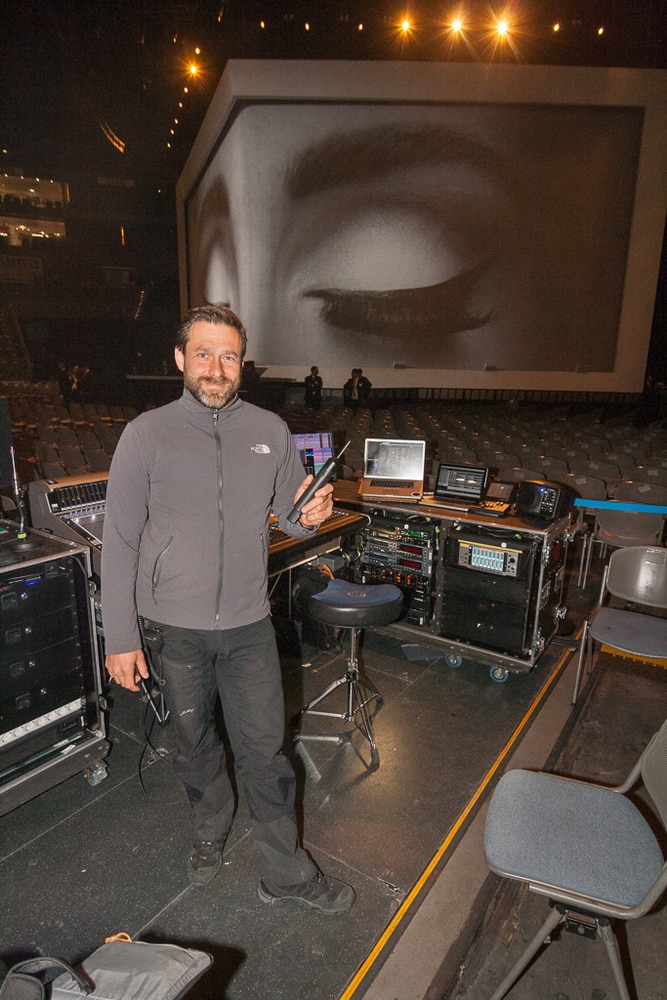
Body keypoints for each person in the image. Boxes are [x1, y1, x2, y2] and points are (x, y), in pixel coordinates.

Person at [101, 304, 355, 915]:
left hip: (248, 624)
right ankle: (210, 827)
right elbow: (121, 540)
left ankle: (285, 873)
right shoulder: (146, 434)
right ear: (180, 359)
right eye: (204, 354)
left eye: (229, 357)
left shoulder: (270, 430)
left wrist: (312, 514)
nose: (216, 369)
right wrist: (120, 638)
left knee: (265, 750)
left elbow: (293, 515)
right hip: (173, 628)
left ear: (242, 364)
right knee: (192, 742)